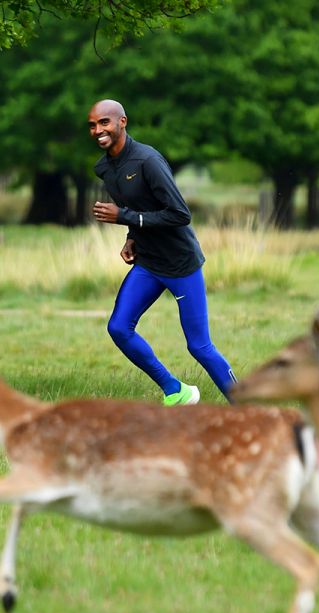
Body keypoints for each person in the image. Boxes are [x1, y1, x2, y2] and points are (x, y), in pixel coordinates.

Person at [87, 99, 235, 405]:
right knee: (119, 328)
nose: (98, 130)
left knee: (199, 347)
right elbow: (138, 208)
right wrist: (131, 237)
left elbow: (180, 214)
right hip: (149, 264)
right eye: (92, 125)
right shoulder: (105, 168)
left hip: (181, 265)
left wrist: (125, 218)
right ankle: (175, 390)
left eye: (105, 122)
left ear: (122, 122)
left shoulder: (147, 161)